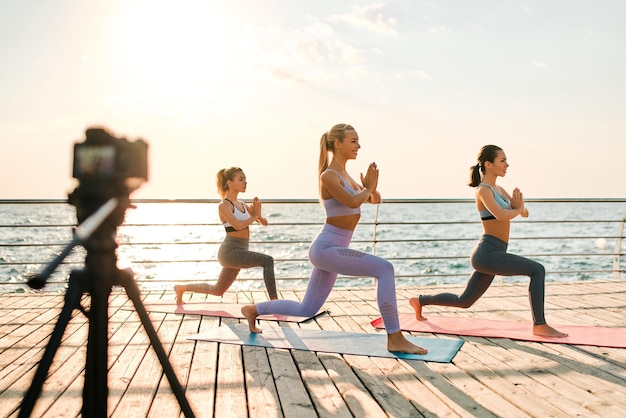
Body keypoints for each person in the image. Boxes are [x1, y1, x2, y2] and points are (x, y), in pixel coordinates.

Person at [242, 124, 428, 354]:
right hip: (326, 248)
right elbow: (352, 202)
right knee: (385, 269)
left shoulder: (346, 176)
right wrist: (366, 189)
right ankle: (395, 337)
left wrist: (371, 187)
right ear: (337, 144)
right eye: (353, 141)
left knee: (307, 308)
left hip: (333, 249)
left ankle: (253, 309)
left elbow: (373, 199)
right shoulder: (328, 175)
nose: (358, 146)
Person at [410, 145, 567, 338]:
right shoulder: (483, 191)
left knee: (464, 301)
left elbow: (524, 213)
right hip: (487, 253)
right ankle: (540, 325)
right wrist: (517, 209)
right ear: (488, 164)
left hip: (494, 253)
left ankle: (420, 301)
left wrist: (520, 207)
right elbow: (502, 215)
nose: (507, 165)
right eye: (502, 161)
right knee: (537, 270)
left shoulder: (499, 189)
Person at [175, 167, 278, 304]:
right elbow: (237, 225)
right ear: (229, 183)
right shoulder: (224, 206)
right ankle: (275, 302)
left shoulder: (242, 205)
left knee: (217, 290)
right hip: (230, 252)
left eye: (245, 180)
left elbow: (264, 223)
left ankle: (181, 288)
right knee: (267, 260)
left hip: (241, 251)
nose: (245, 183)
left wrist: (257, 215)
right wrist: (253, 217)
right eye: (241, 180)